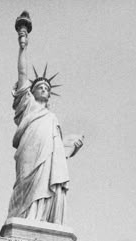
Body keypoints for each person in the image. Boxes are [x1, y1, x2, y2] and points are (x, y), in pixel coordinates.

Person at [8, 17, 84, 224]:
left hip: (47, 158)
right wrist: (22, 44)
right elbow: (22, 72)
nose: (44, 88)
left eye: (47, 88)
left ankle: (42, 220)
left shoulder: (52, 118)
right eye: (39, 86)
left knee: (48, 181)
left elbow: (56, 150)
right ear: (31, 91)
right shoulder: (27, 105)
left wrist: (70, 143)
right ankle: (26, 218)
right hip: (29, 153)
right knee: (25, 185)